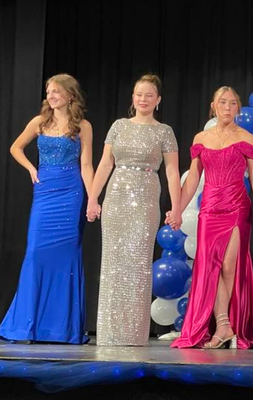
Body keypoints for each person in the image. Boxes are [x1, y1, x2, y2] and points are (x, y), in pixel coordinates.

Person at [87, 74, 181, 346]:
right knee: (113, 264)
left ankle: (133, 334)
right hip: (116, 195)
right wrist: (94, 198)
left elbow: (173, 171)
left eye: (149, 95)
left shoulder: (164, 131)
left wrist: (176, 207)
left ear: (158, 100)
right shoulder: (118, 126)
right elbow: (105, 164)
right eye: (139, 94)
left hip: (146, 196)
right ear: (133, 97)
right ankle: (110, 332)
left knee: (138, 264)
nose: (143, 99)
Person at [0, 74, 93, 344]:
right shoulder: (39, 122)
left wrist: (93, 198)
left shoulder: (83, 126)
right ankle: (27, 326)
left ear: (70, 96)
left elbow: (87, 166)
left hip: (72, 192)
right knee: (36, 255)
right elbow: (15, 147)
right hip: (45, 192)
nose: (51, 96)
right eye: (49, 92)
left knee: (66, 259)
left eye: (56, 92)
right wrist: (31, 168)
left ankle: (61, 329)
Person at [171, 87, 253, 349]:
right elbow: (191, 181)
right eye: (222, 102)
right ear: (213, 106)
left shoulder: (248, 138)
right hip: (209, 209)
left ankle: (228, 325)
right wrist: (177, 208)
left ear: (238, 109)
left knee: (229, 265)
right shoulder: (202, 138)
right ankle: (223, 325)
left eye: (232, 103)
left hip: (236, 208)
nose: (227, 107)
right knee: (211, 266)